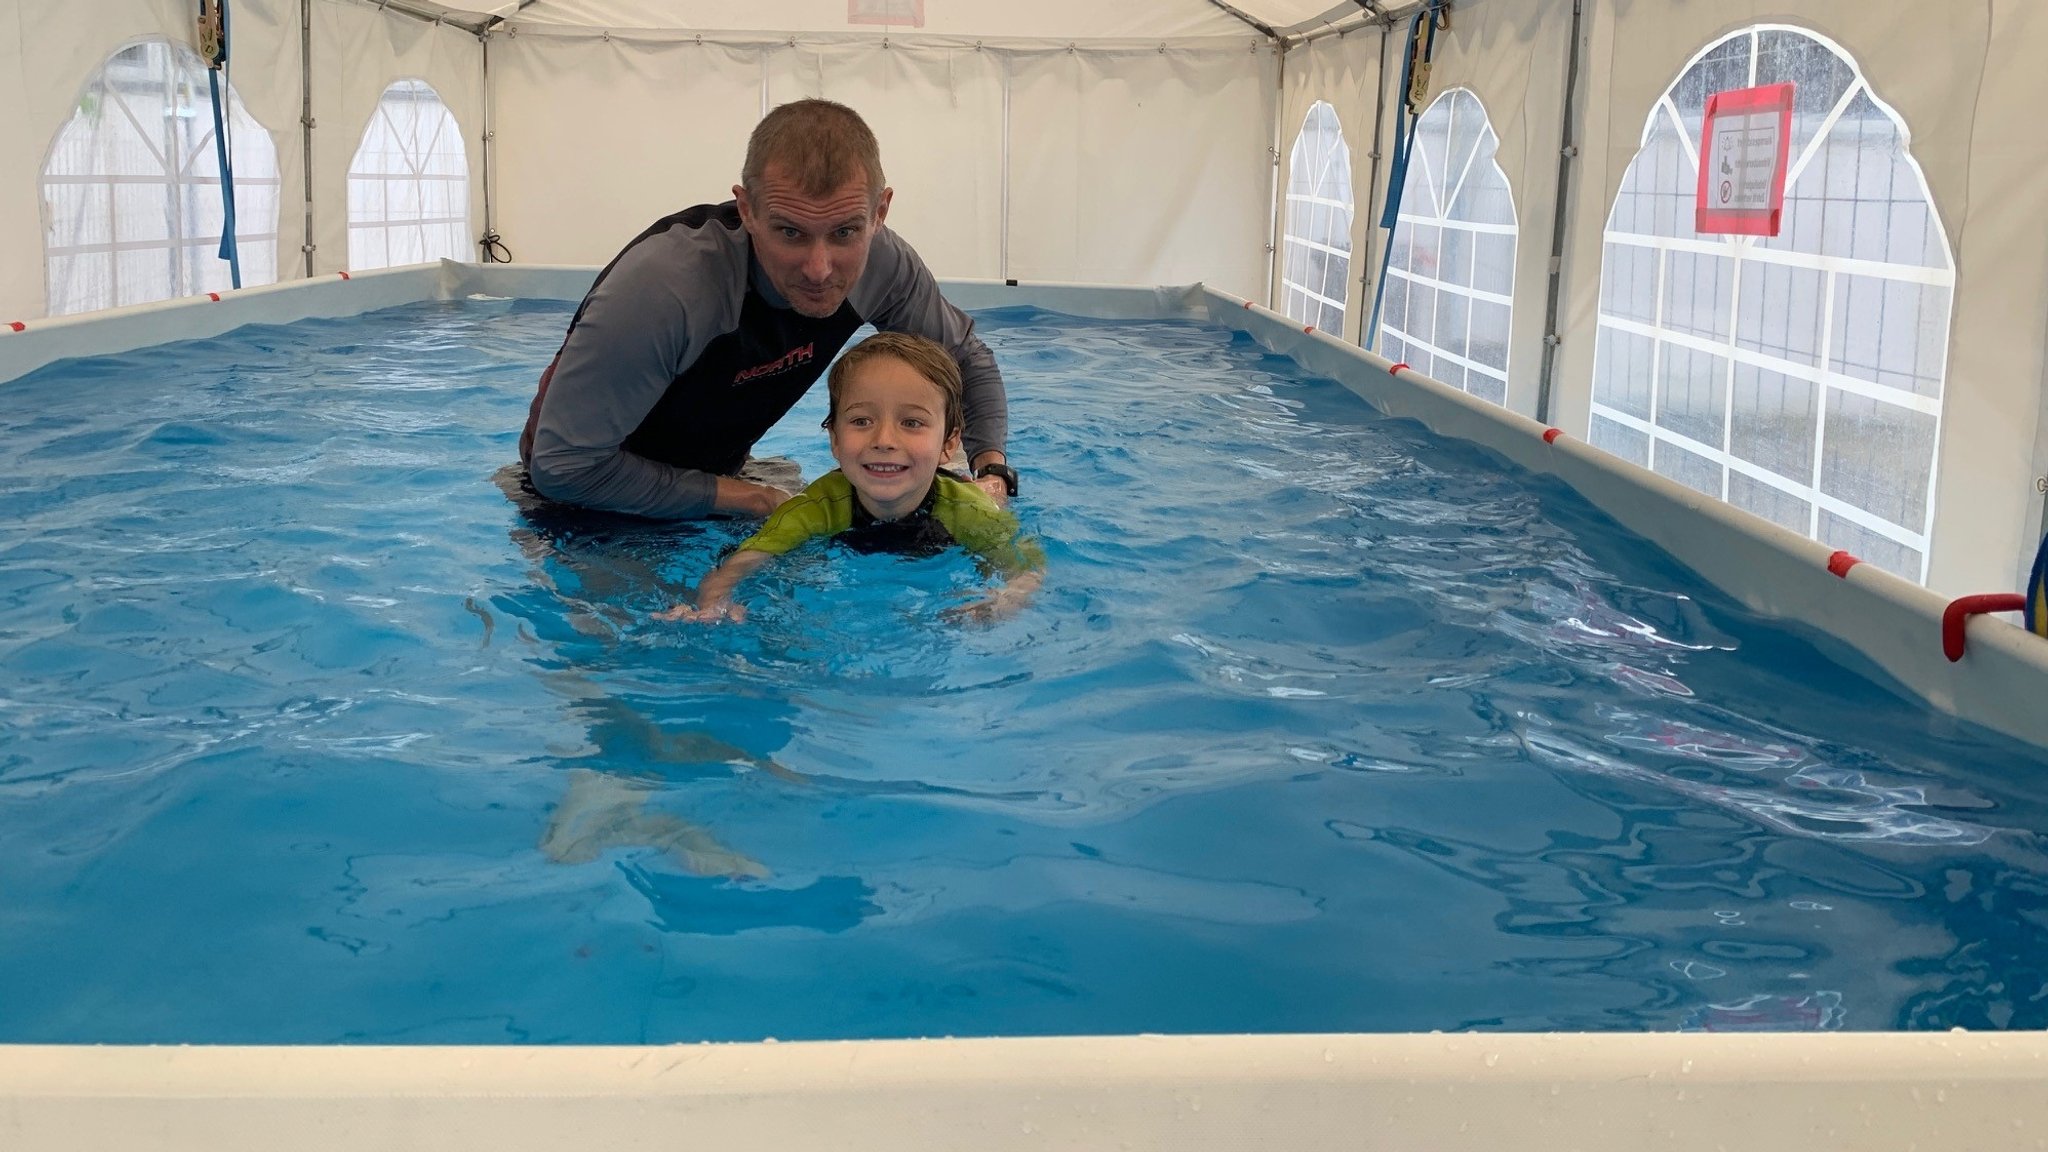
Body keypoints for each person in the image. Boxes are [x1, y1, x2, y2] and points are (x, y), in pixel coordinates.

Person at [517, 98, 1018, 520]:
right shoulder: (666, 290)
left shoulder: (884, 267)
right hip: (585, 502)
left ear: (880, 212)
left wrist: (991, 472)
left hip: (724, 479)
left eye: (845, 231)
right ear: (747, 210)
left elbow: (967, 360)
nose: (820, 269)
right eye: (790, 233)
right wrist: (755, 500)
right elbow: (563, 468)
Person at [661, 332, 1044, 625]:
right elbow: (742, 560)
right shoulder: (819, 507)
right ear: (834, 440)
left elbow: (1026, 569)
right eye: (862, 421)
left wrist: (998, 603)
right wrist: (713, 604)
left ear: (949, 442)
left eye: (911, 422)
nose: (883, 441)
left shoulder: (966, 509)